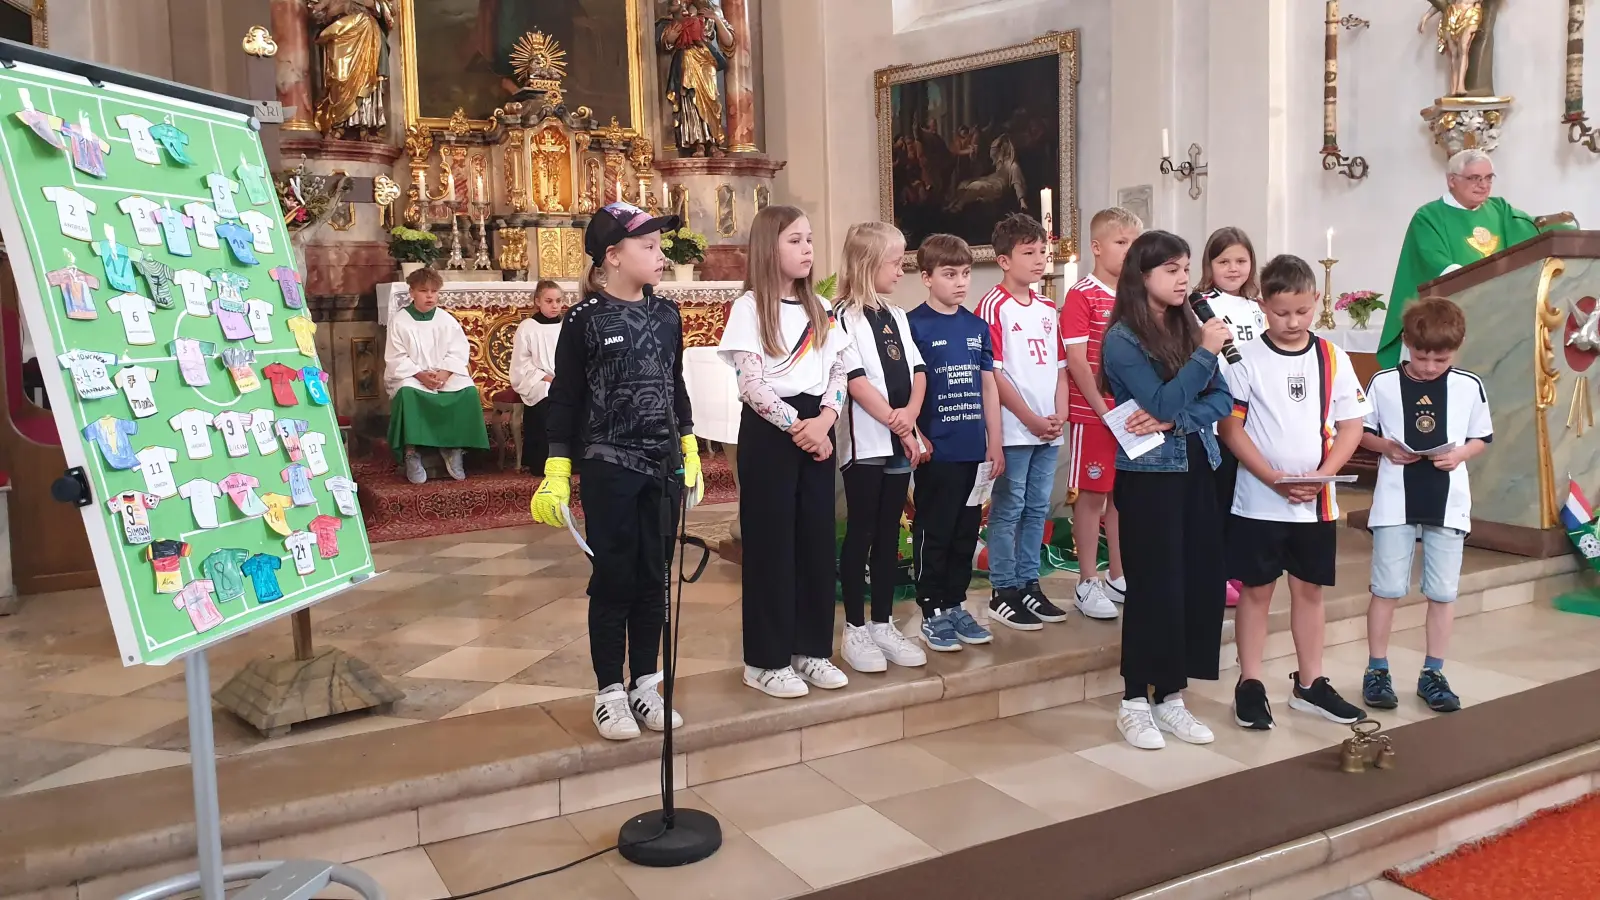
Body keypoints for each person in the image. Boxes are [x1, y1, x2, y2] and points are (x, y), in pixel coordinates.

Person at [529, 201, 701, 741]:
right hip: (609, 464)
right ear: (612, 256)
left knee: (655, 578)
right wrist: (557, 469)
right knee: (614, 579)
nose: (660, 255)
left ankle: (646, 683)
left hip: (662, 465)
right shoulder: (584, 319)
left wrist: (690, 449)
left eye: (659, 245)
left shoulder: (667, 314)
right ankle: (609, 690)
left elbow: (675, 386)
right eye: (648, 246)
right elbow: (565, 399)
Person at [1221, 254, 1371, 731]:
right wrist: (1271, 476)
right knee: (1257, 591)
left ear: (1317, 302)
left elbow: (1351, 424)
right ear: (1262, 304)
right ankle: (1249, 684)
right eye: (1282, 312)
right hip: (1260, 497)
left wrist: (1324, 474)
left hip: (1317, 499)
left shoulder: (1333, 357)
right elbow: (1231, 428)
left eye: (1303, 312)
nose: (1292, 322)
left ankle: (1311, 684)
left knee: (1309, 590)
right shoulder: (1244, 359)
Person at [1100, 230, 1232, 750]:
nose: (1184, 279)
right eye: (1172, 270)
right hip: (1151, 478)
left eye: (1185, 268)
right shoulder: (1121, 340)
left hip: (1199, 465)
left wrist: (1176, 422)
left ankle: (1171, 697)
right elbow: (1158, 402)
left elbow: (1220, 399)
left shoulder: (1189, 326)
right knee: (1155, 585)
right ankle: (1134, 699)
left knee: (1196, 583)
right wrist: (1200, 361)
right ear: (1143, 276)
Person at [718, 205, 852, 698]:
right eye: (795, 240)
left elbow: (839, 372)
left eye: (810, 240)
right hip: (773, 432)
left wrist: (826, 420)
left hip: (817, 427)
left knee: (816, 543)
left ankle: (811, 650)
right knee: (773, 547)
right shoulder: (750, 308)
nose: (808, 249)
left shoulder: (821, 309)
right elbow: (751, 383)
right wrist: (801, 427)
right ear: (768, 246)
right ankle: (765, 660)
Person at [1359, 297, 1492, 714]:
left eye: (1441, 358)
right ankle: (1377, 669)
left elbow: (1481, 437)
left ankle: (1433, 672)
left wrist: (1460, 455)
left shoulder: (1469, 385)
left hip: (1448, 501)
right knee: (1387, 589)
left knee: (1442, 592)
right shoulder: (1382, 382)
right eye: (1421, 356)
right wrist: (1386, 447)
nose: (1431, 366)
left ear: (1458, 348)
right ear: (1408, 345)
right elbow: (1361, 432)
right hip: (1395, 499)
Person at [834, 222, 929, 674]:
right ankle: (854, 627)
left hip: (899, 434)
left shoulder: (897, 316)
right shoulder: (840, 316)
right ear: (868, 264)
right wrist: (897, 422)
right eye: (895, 261)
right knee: (863, 531)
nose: (901, 269)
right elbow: (855, 380)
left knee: (892, 531)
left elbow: (918, 369)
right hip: (867, 440)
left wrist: (910, 415)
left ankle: (882, 622)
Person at [907, 234, 1002, 652]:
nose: (961, 282)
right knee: (936, 529)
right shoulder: (913, 325)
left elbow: (988, 387)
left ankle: (956, 602)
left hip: (973, 450)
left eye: (965, 273)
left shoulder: (977, 327)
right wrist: (915, 434)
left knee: (966, 531)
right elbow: (905, 388)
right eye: (950, 274)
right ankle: (931, 609)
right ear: (926, 277)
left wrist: (994, 442)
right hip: (937, 451)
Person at [1378, 148, 1557, 368]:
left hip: (1498, 313)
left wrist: (1572, 233)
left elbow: (1534, 230)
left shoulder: (1500, 209)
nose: (1483, 185)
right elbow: (1433, 261)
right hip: (1446, 318)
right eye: (1475, 178)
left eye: (1488, 178)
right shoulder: (1429, 216)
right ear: (1452, 180)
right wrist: (1478, 282)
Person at [977, 213, 1070, 631]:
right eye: (1028, 253)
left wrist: (1060, 415)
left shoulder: (1049, 307)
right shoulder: (993, 305)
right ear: (1003, 260)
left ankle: (1030, 583)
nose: (1039, 260)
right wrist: (1031, 418)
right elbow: (994, 373)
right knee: (1009, 508)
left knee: (1037, 508)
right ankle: (1004, 589)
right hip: (1015, 429)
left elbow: (1061, 368)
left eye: (1043, 252)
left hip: (1048, 427)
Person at [1060, 208, 1140, 620]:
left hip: (1131, 415)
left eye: (1132, 243)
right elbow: (1077, 361)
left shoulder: (1135, 296)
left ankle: (1118, 573)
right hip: (1093, 414)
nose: (1129, 251)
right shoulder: (1082, 295)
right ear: (1096, 246)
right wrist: (1102, 408)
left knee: (1123, 497)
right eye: (1120, 242)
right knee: (1092, 496)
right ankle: (1087, 580)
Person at [1196, 226, 1268, 608]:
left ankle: (1238, 565)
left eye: (1241, 260)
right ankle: (1216, 570)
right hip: (1218, 414)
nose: (1233, 268)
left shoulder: (1259, 308)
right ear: (1210, 264)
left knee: (1245, 495)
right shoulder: (1200, 303)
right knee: (1219, 495)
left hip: (1252, 415)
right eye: (1224, 261)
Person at [383, 267, 490, 484]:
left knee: (467, 391)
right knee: (407, 393)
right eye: (424, 291)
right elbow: (397, 357)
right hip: (413, 374)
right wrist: (421, 375)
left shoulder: (446, 319)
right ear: (411, 292)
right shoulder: (400, 320)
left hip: (444, 373)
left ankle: (453, 448)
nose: (430, 296)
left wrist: (444, 372)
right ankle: (411, 452)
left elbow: (458, 351)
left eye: (434, 291)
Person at [509, 280, 564, 472]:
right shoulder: (528, 327)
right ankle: (542, 461)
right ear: (538, 301)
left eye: (558, 301)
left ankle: (572, 459)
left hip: (564, 378)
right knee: (547, 394)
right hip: (538, 379)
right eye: (549, 301)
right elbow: (522, 363)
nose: (555, 305)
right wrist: (548, 377)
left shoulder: (567, 325)